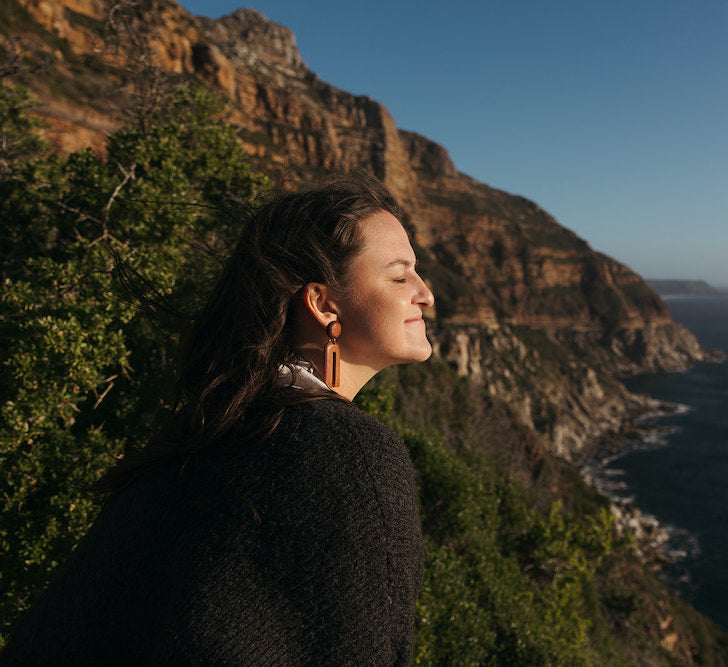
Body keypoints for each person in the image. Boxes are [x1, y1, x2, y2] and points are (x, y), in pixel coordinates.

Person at [1, 173, 434, 664]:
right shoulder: (346, 456)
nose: (426, 294)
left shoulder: (212, 434)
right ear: (322, 303)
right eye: (400, 276)